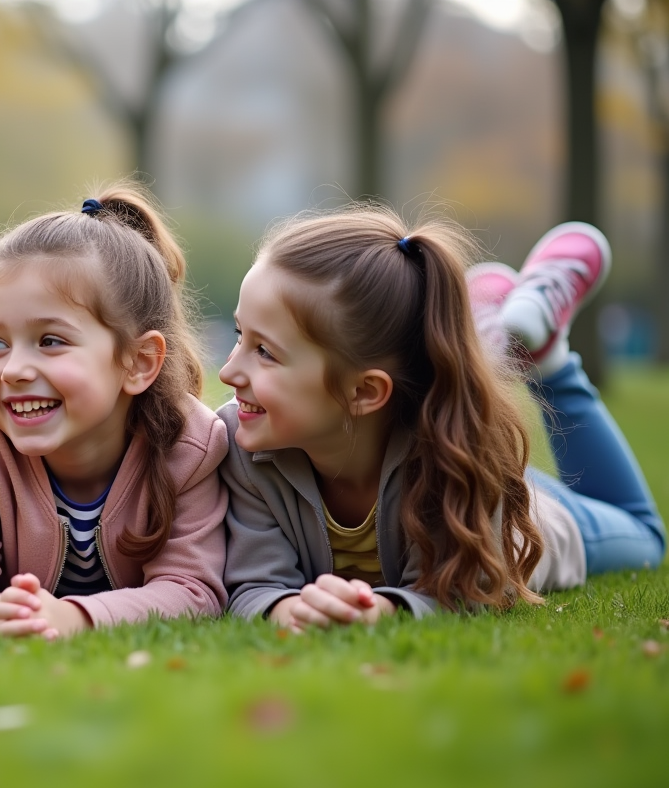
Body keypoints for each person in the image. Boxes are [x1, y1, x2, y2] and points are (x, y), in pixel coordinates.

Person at [218, 207, 665, 630]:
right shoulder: (244, 446)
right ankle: (487, 331)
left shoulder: (450, 461)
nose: (228, 371)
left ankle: (549, 357)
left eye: (265, 352)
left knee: (647, 536)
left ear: (364, 392)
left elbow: (467, 588)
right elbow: (253, 582)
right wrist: (288, 609)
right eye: (240, 335)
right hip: (463, 457)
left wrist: (381, 611)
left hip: (525, 511)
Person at [0, 185, 229, 638]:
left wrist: (77, 617)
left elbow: (191, 589)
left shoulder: (191, 444)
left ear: (139, 362)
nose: (15, 370)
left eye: (50, 341)